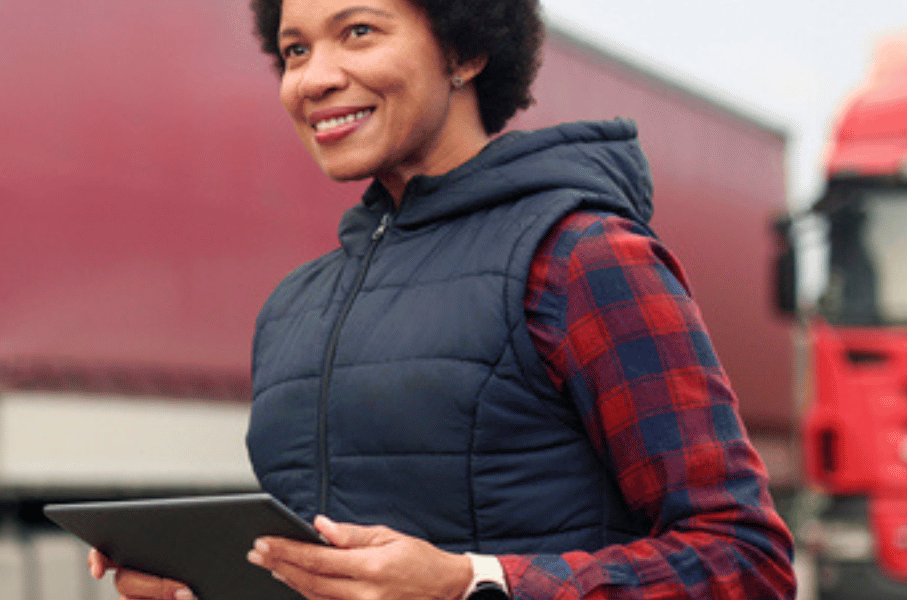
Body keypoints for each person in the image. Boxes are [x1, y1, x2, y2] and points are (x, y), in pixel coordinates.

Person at [89, 0, 797, 598]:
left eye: (358, 32)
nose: (315, 78)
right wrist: (207, 584)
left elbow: (745, 560)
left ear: (463, 50)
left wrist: (473, 583)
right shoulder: (291, 308)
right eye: (295, 50)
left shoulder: (581, 258)